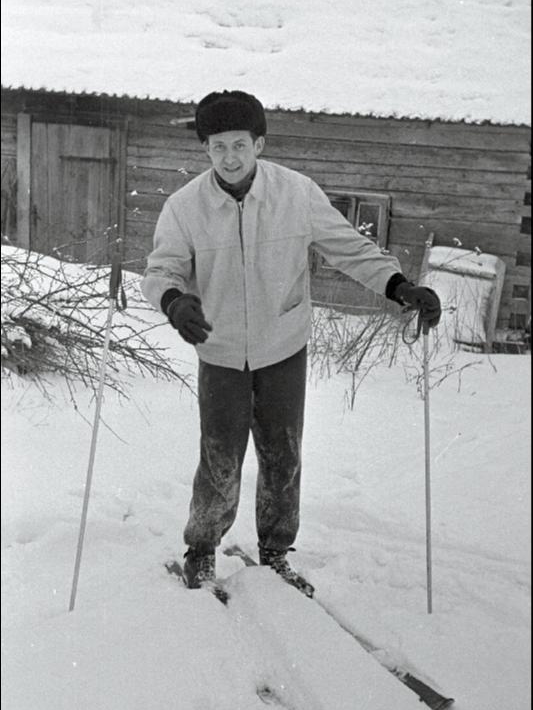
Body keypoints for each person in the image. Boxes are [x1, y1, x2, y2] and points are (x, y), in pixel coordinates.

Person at [141, 90, 440, 595]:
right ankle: (202, 550)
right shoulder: (185, 207)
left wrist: (399, 285)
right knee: (220, 455)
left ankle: (276, 552)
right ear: (205, 149)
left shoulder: (296, 194)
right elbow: (161, 269)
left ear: (259, 143)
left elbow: (349, 248)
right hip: (220, 351)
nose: (230, 157)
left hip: (283, 346)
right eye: (218, 147)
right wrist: (173, 301)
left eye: (239, 144)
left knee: (283, 453)